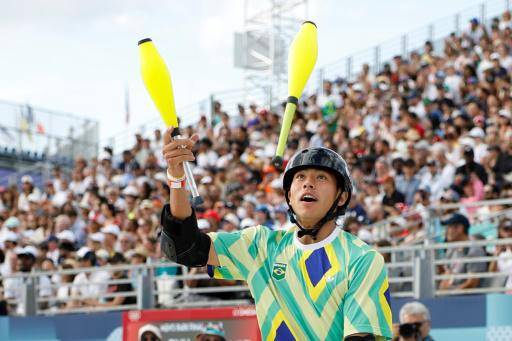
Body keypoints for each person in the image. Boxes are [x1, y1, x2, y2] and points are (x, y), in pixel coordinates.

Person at [160, 128, 392, 340]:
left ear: (341, 197)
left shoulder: (362, 259)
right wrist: (177, 178)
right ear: (289, 196)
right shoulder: (260, 246)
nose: (308, 184)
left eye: (321, 177)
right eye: (300, 177)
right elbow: (185, 248)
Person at [438, 213, 487, 290]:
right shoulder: (452, 249)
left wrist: (449, 293)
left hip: (470, 299)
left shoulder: (474, 250)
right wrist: (441, 293)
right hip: (453, 296)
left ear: (459, 228)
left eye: (449, 227)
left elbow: (472, 283)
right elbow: (447, 275)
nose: (446, 232)